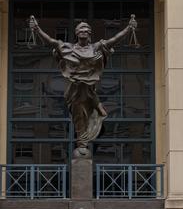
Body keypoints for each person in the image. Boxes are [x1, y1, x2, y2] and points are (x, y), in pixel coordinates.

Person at [28, 15, 137, 150]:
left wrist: (128, 28)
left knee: (93, 113)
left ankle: (94, 116)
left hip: (89, 90)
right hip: (74, 91)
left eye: (86, 29)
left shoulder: (96, 48)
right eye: (80, 29)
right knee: (80, 115)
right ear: (76, 33)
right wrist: (37, 29)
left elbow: (113, 40)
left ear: (89, 33)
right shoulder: (68, 48)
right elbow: (51, 41)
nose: (83, 31)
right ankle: (82, 142)